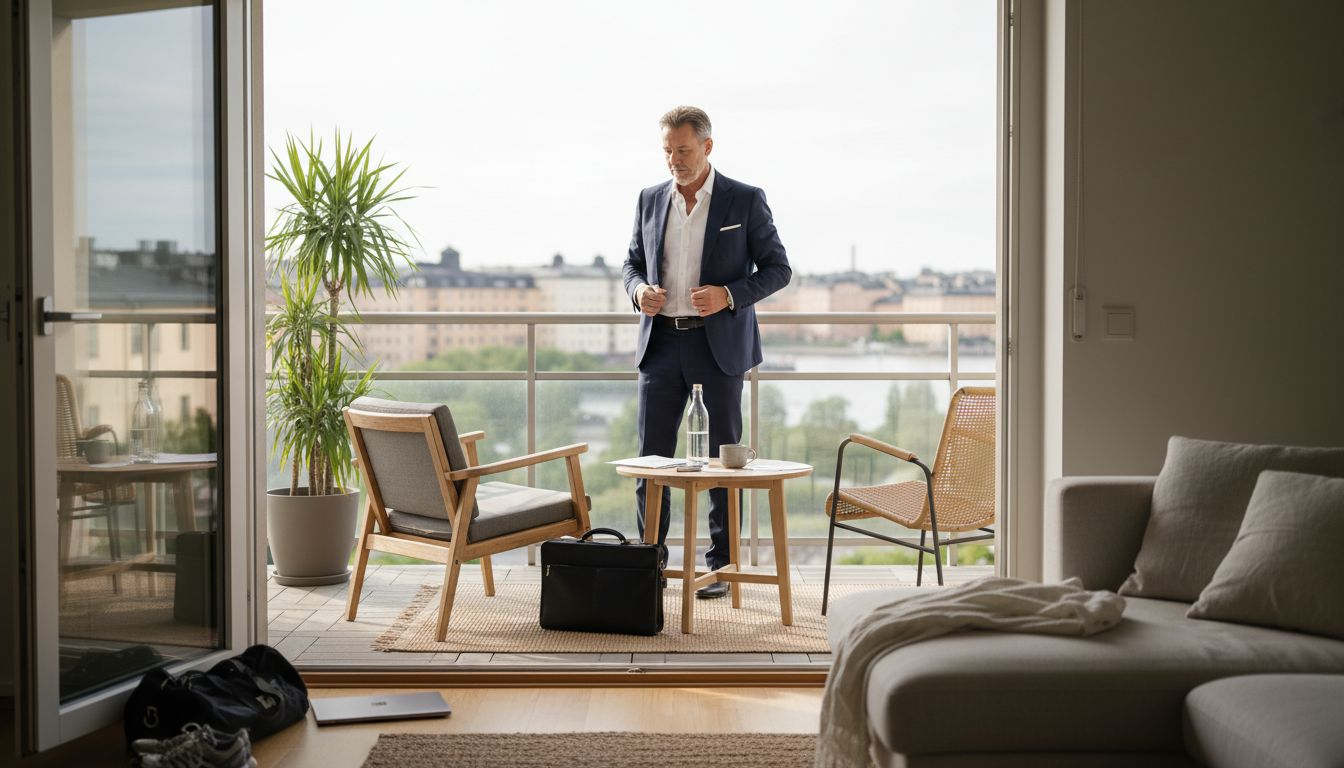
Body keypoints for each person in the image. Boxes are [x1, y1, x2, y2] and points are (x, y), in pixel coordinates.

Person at [622, 106, 792, 598]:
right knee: (651, 463)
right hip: (660, 344)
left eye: (683, 150)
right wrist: (639, 291)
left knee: (722, 464)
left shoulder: (745, 199)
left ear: (707, 146)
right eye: (667, 151)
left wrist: (728, 295)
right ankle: (649, 566)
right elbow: (631, 264)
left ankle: (722, 567)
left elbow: (778, 269)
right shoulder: (649, 198)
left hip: (717, 346)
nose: (674, 160)